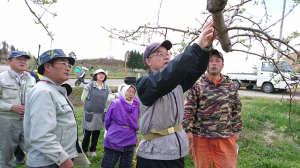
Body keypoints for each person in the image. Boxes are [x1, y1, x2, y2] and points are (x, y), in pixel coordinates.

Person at [135, 21, 217, 168]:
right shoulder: (145, 84)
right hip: (154, 155)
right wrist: (197, 45)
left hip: (176, 151)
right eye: (160, 54)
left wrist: (206, 47)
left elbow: (197, 68)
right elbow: (171, 73)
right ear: (148, 61)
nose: (166, 57)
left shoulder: (177, 83)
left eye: (167, 54)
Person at [183, 49, 243, 168]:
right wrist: (188, 130)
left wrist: (236, 130)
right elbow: (189, 108)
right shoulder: (196, 84)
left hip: (225, 136)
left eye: (217, 61)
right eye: (210, 61)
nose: (214, 63)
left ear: (222, 65)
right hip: (201, 136)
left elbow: (236, 109)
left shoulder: (231, 85)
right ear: (206, 64)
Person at [24, 49, 82, 168]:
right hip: (48, 162)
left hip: (55, 159)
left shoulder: (53, 89)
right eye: (63, 63)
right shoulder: (43, 92)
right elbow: (41, 135)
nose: (68, 68)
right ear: (48, 67)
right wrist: (63, 160)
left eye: (69, 64)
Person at [0, 51, 35, 168]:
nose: (22, 61)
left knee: (34, 149)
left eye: (25, 59)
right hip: (7, 121)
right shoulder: (1, 77)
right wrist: (11, 107)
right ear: (8, 62)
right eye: (18, 59)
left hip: (27, 120)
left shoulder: (31, 79)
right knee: (6, 152)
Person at [101, 84, 140, 168]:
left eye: (133, 92)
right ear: (123, 91)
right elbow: (107, 119)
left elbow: (136, 119)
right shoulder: (116, 103)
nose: (131, 94)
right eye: (129, 91)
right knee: (108, 164)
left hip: (130, 138)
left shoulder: (136, 105)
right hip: (115, 137)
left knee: (126, 164)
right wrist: (113, 130)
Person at [80, 69, 112, 158]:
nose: (101, 75)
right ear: (95, 75)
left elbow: (110, 97)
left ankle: (93, 150)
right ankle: (84, 150)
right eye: (99, 74)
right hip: (90, 114)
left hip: (100, 114)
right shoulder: (89, 86)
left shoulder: (106, 87)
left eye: (103, 74)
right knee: (87, 133)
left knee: (96, 134)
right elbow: (83, 98)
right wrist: (89, 107)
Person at [14, 69, 39, 165]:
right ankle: (19, 157)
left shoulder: (32, 76)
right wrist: (13, 108)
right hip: (13, 114)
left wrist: (29, 109)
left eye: (24, 60)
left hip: (29, 114)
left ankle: (33, 158)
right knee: (15, 139)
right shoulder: (7, 78)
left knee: (30, 138)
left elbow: (36, 93)